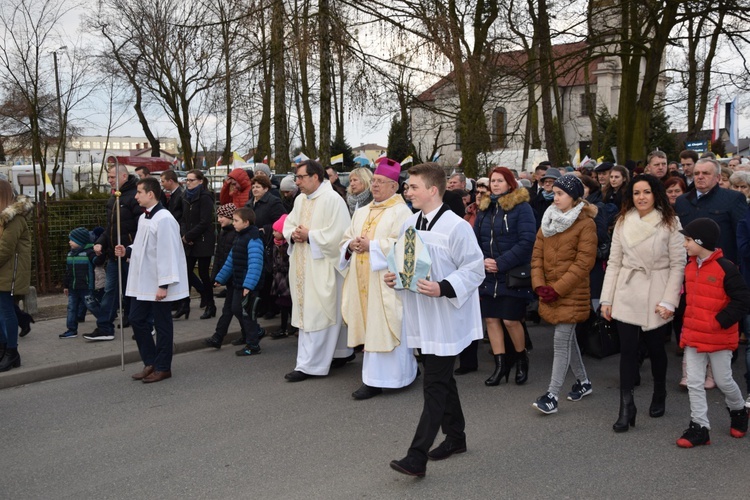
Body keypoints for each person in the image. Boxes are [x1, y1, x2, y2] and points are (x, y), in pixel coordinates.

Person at [384, 162, 484, 478]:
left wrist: (443, 287)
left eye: (412, 186)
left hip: (446, 316)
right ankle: (456, 438)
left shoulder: (457, 227)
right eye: (407, 186)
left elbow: (474, 269)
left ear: (432, 190)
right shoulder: (409, 224)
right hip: (422, 316)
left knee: (435, 384)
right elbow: (406, 264)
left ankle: (417, 457)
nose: (407, 190)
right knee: (442, 380)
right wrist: (395, 277)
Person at [600, 175, 685, 432]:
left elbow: (678, 264)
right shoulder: (623, 221)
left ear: (655, 194)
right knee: (627, 350)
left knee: (656, 348)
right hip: (627, 289)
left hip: (657, 291)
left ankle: (659, 392)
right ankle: (627, 407)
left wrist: (670, 300)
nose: (641, 197)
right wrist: (607, 299)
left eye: (646, 192)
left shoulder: (670, 222)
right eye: (636, 193)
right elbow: (614, 262)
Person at [340, 158, 417, 400]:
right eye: (373, 181)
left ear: (394, 186)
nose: (374, 186)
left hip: (386, 281)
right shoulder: (361, 211)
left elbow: (406, 247)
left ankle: (397, 377)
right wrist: (351, 245)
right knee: (370, 325)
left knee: (386, 325)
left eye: (380, 182)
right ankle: (373, 378)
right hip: (363, 279)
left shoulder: (402, 212)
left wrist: (372, 245)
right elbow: (346, 238)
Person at [676, 218, 750, 447]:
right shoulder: (689, 266)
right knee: (695, 382)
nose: (685, 244)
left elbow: (742, 300)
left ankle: (738, 410)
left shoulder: (725, 268)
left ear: (701, 241)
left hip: (719, 336)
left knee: (724, 380)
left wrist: (719, 322)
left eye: (688, 240)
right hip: (693, 335)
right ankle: (700, 427)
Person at [530, 175, 597, 414]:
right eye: (554, 193)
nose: (554, 197)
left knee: (561, 340)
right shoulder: (547, 219)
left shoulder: (585, 223)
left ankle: (552, 395)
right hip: (549, 291)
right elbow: (536, 255)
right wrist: (540, 285)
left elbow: (584, 262)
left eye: (560, 194)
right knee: (569, 339)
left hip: (571, 292)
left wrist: (557, 289)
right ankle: (584, 382)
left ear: (574, 197)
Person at [283, 160, 353, 382]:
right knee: (315, 312)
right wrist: (293, 233)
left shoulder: (333, 200)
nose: (298, 182)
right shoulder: (301, 199)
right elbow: (289, 224)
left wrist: (310, 235)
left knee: (319, 313)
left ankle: (309, 365)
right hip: (304, 264)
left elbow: (340, 234)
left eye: (301, 177)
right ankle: (341, 352)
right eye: (297, 177)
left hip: (324, 265)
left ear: (315, 177)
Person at [115, 177, 189, 383]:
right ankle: (151, 361)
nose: (135, 196)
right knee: (136, 318)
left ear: (151, 194)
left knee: (162, 324)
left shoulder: (164, 218)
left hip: (158, 283)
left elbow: (168, 253)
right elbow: (142, 247)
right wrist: (127, 250)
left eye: (139, 192)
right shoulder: (144, 218)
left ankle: (164, 367)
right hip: (143, 282)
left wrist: (163, 285)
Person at [474, 167, 535, 386]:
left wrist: (500, 263)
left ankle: (520, 359)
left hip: (511, 273)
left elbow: (527, 242)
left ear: (510, 183)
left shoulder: (522, 208)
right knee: (491, 319)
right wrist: (483, 261)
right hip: (488, 273)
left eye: (500, 180)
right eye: (493, 181)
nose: (495, 184)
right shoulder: (485, 208)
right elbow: (475, 240)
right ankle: (500, 366)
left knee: (510, 320)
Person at [85, 164, 143, 341]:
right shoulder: (113, 199)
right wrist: (100, 242)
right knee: (110, 291)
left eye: (112, 177)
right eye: (108, 177)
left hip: (129, 256)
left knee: (134, 291)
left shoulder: (135, 197)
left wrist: (130, 249)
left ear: (124, 176)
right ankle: (105, 327)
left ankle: (145, 325)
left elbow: (142, 228)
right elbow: (110, 227)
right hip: (113, 255)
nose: (109, 180)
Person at [675, 158, 748, 264]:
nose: (700, 177)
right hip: (691, 266)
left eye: (706, 173)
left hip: (723, 266)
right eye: (696, 173)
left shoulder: (734, 198)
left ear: (718, 177)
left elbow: (742, 236)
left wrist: (738, 266)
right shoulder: (682, 201)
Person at [213, 207, 265, 357]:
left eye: (236, 221)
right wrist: (220, 278)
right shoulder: (239, 236)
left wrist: (249, 285)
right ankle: (257, 331)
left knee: (247, 313)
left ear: (246, 222)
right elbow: (231, 260)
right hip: (238, 281)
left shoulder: (254, 238)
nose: (233, 223)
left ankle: (253, 345)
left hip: (248, 284)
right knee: (236, 309)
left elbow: (256, 264)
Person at [176, 170, 216, 320]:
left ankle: (210, 304)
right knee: (185, 272)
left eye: (192, 180)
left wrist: (189, 235)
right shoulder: (185, 196)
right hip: (190, 241)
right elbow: (184, 219)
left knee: (204, 274)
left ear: (200, 181)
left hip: (203, 241)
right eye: (187, 180)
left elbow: (205, 221)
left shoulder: (205, 197)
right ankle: (184, 305)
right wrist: (185, 235)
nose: (189, 183)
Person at [203, 204, 245, 348]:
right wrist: (215, 276)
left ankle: (219, 337)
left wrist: (223, 276)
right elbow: (219, 257)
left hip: (237, 278)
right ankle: (246, 333)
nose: (219, 219)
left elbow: (234, 259)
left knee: (233, 308)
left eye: (221, 217)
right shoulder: (223, 233)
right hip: (229, 277)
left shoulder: (236, 234)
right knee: (233, 308)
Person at [0, 181, 32, 372]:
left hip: (9, 273)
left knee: (6, 312)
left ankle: (12, 352)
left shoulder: (14, 219)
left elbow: (5, 249)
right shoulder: (4, 219)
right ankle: (4, 349)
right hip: (4, 271)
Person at [246, 174, 286, 319]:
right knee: (259, 275)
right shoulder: (250, 203)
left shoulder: (273, 202)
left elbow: (282, 221)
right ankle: (261, 306)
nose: (255, 189)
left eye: (258, 187)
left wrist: (267, 229)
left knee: (269, 276)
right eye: (253, 186)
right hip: (254, 243)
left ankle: (272, 307)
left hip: (269, 243)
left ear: (266, 188)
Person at [60, 227, 96, 339]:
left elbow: (98, 262)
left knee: (93, 306)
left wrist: (100, 253)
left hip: (85, 287)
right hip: (73, 288)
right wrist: (66, 285)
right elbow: (68, 272)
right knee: (71, 308)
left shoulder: (89, 253)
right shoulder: (70, 255)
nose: (69, 242)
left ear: (80, 241)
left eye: (72, 240)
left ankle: (105, 323)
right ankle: (71, 330)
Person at [268, 214, 295, 339]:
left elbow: (289, 264)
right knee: (284, 305)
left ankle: (286, 327)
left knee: (286, 305)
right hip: (278, 279)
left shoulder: (288, 246)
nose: (273, 233)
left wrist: (279, 269)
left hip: (286, 280)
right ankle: (289, 327)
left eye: (276, 231)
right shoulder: (275, 244)